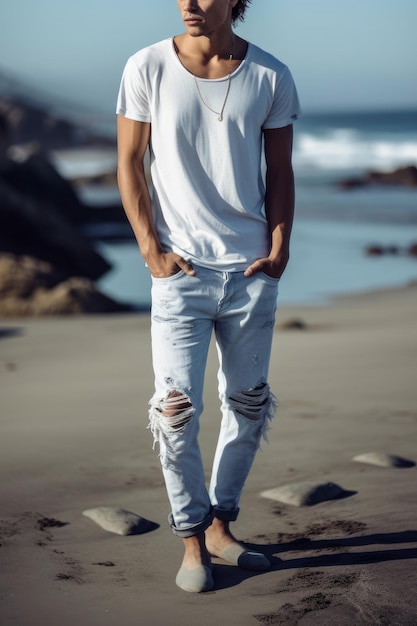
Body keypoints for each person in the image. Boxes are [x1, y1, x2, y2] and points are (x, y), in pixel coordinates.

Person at [116, 0, 301, 592]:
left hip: (250, 273)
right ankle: (191, 539)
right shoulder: (146, 67)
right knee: (175, 413)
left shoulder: (270, 74)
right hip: (181, 275)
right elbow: (128, 162)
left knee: (248, 406)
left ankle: (222, 524)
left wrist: (279, 248)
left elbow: (281, 170)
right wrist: (151, 251)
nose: (191, 3)